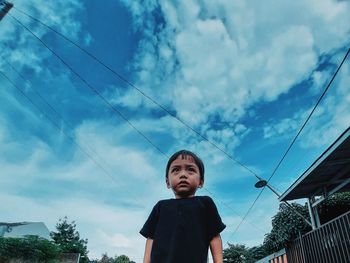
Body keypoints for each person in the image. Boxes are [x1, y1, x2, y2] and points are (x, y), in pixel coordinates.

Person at [140, 149, 226, 263]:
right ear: (167, 182)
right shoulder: (160, 207)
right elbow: (151, 237)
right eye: (176, 170)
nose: (183, 175)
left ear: (201, 181)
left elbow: (214, 236)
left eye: (191, 170)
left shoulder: (205, 203)